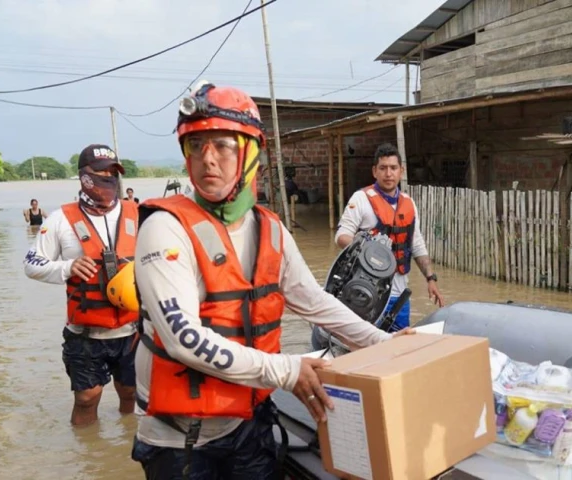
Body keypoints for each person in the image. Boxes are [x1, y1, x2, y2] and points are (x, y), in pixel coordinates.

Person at [130, 81, 414, 479]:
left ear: (250, 155)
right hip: (183, 440)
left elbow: (314, 302)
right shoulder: (164, 229)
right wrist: (287, 370)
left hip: (251, 424)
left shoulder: (271, 229)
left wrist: (385, 344)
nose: (207, 159)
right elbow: (182, 339)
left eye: (223, 145)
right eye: (196, 146)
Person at [23, 144, 139, 427]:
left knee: (132, 393)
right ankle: (87, 457)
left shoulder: (139, 214)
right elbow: (31, 263)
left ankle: (124, 453)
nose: (109, 177)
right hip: (85, 333)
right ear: (84, 177)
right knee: (87, 397)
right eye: (102, 172)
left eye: (114, 172)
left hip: (132, 330)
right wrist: (67, 267)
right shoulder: (61, 219)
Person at [335, 143, 445, 331]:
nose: (388, 174)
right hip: (366, 293)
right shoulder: (360, 199)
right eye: (383, 168)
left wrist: (430, 278)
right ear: (374, 171)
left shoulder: (409, 203)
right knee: (365, 347)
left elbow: (417, 245)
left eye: (393, 168)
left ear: (401, 171)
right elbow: (341, 237)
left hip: (399, 296)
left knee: (400, 347)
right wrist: (368, 247)